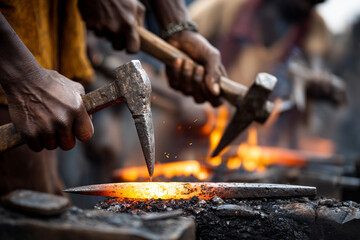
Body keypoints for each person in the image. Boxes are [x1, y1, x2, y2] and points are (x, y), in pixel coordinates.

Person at [0, 0, 226, 197]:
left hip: (52, 47)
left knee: (47, 194)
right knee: (28, 201)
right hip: (10, 65)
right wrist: (23, 76)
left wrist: (178, 27)